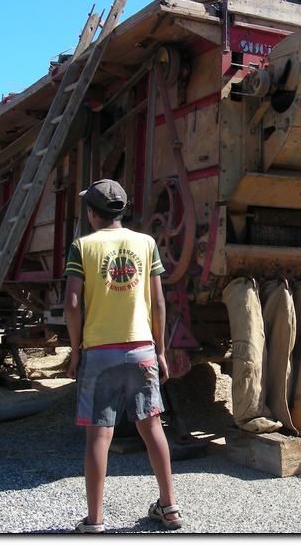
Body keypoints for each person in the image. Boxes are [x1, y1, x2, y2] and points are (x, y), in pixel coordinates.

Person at [64, 179, 182, 533]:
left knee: (99, 436)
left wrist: (74, 350)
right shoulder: (146, 244)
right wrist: (160, 350)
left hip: (99, 353)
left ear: (91, 212)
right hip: (142, 348)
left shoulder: (81, 246)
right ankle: (170, 507)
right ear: (122, 210)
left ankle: (96, 521)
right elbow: (158, 302)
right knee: (153, 429)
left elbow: (71, 305)